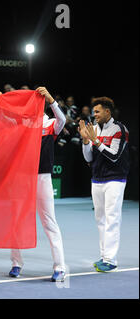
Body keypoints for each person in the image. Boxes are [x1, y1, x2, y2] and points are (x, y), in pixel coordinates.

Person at [8, 87, 67, 282]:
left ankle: (60, 267)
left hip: (42, 178)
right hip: (23, 178)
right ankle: (16, 263)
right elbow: (1, 121)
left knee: (49, 222)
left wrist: (52, 99)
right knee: (16, 221)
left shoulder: (50, 124)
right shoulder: (22, 124)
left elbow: (63, 121)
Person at [78, 97, 130, 273]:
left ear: (108, 111)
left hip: (115, 179)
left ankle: (111, 260)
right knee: (100, 219)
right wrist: (86, 141)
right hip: (97, 180)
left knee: (112, 219)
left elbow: (114, 156)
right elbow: (88, 159)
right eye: (94, 112)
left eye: (97, 112)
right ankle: (104, 256)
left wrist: (97, 142)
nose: (95, 115)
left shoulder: (120, 129)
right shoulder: (94, 129)